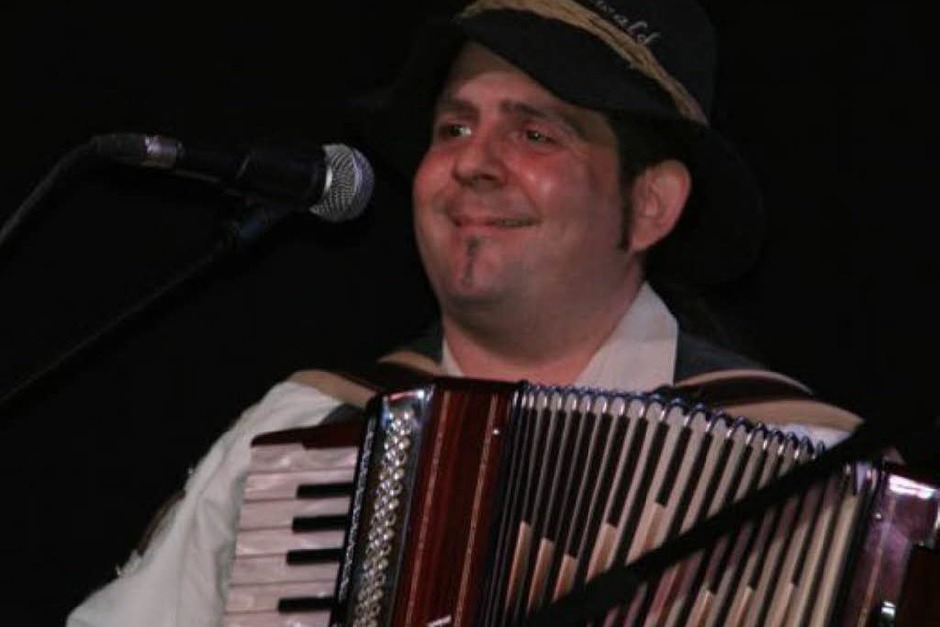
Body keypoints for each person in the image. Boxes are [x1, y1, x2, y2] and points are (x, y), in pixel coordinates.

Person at [66, 0, 859, 625]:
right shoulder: (306, 431)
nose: (473, 162)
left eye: (536, 134)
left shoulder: (814, 473)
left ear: (650, 203)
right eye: (454, 127)